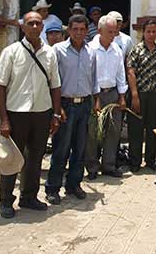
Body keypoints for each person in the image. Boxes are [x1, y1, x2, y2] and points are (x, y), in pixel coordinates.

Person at [0, 11, 62, 218]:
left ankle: (29, 197)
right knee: (11, 158)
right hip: (16, 113)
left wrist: (56, 115)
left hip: (41, 112)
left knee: (35, 158)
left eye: (37, 23)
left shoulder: (49, 54)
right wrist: (4, 120)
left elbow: (55, 86)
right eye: (30, 23)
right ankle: (5, 201)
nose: (34, 27)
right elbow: (0, 86)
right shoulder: (11, 52)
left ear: (42, 27)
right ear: (23, 27)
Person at [46, 15, 100, 204]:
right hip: (65, 105)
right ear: (68, 30)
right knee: (61, 148)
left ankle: (73, 185)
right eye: (75, 29)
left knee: (80, 149)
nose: (78, 33)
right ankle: (53, 188)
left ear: (87, 31)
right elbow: (53, 81)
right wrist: (57, 107)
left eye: (82, 29)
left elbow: (94, 79)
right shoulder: (58, 51)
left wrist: (96, 102)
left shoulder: (91, 52)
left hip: (84, 104)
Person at [86, 15, 128, 179]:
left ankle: (109, 165)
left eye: (114, 31)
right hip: (94, 94)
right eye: (110, 32)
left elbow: (120, 73)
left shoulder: (116, 49)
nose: (113, 34)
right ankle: (92, 166)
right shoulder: (90, 49)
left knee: (113, 130)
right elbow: (90, 76)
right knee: (92, 131)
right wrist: (96, 98)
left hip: (113, 93)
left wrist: (122, 96)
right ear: (100, 31)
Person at [126, 19, 156, 172]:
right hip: (140, 93)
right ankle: (135, 161)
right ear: (143, 32)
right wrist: (135, 95)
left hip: (155, 94)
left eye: (154, 31)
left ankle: (150, 160)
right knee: (136, 129)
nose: (151, 34)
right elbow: (131, 72)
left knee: (153, 128)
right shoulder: (136, 50)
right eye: (148, 31)